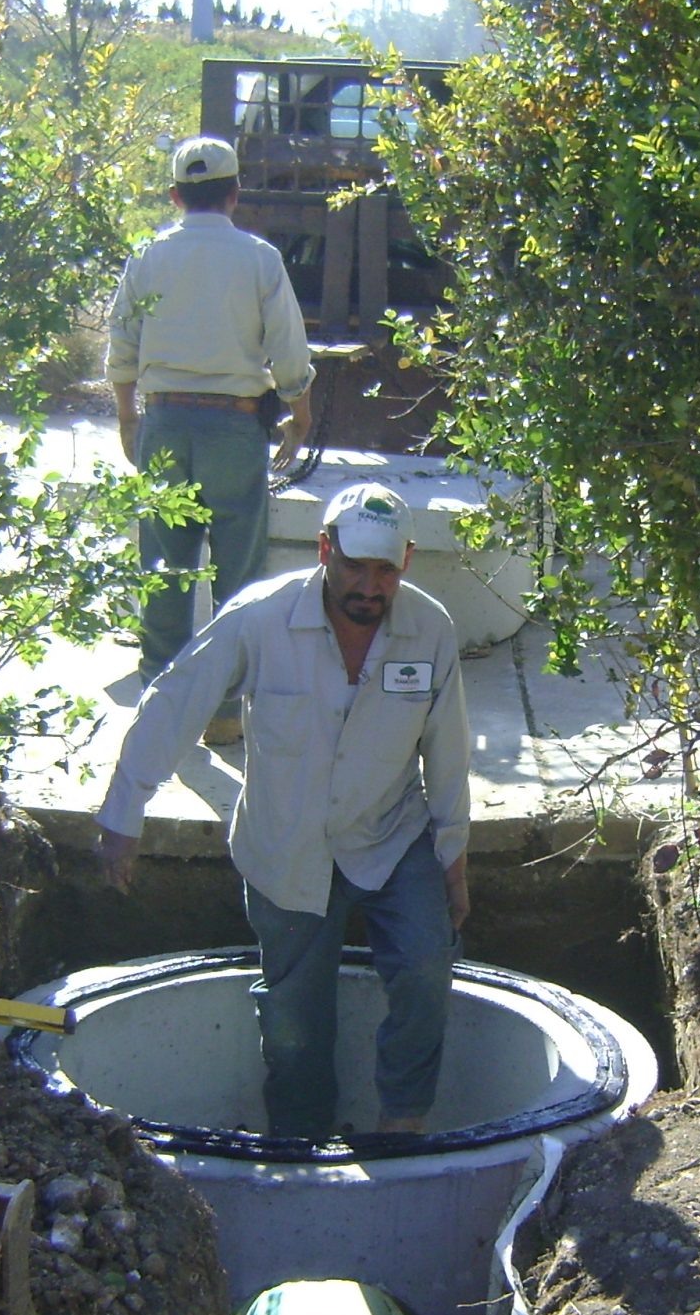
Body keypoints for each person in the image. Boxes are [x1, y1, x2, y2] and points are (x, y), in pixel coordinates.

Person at [94, 483, 471, 1139]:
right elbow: (176, 702)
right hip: (286, 846)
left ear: (407, 561)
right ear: (325, 550)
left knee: (424, 966)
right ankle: (300, 1141)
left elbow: (448, 749)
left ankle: (402, 1122)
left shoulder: (430, 628)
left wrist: (454, 861)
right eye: (354, 566)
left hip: (389, 835)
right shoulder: (261, 618)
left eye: (385, 570)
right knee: (295, 1020)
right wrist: (125, 813)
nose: (369, 587)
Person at [106, 134, 315, 740]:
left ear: (175, 196)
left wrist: (128, 418)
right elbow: (289, 351)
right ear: (235, 194)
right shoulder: (259, 258)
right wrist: (299, 417)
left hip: (165, 422)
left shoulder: (147, 256)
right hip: (235, 426)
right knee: (239, 574)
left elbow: (122, 344)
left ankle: (159, 704)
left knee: (164, 568)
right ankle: (224, 713)